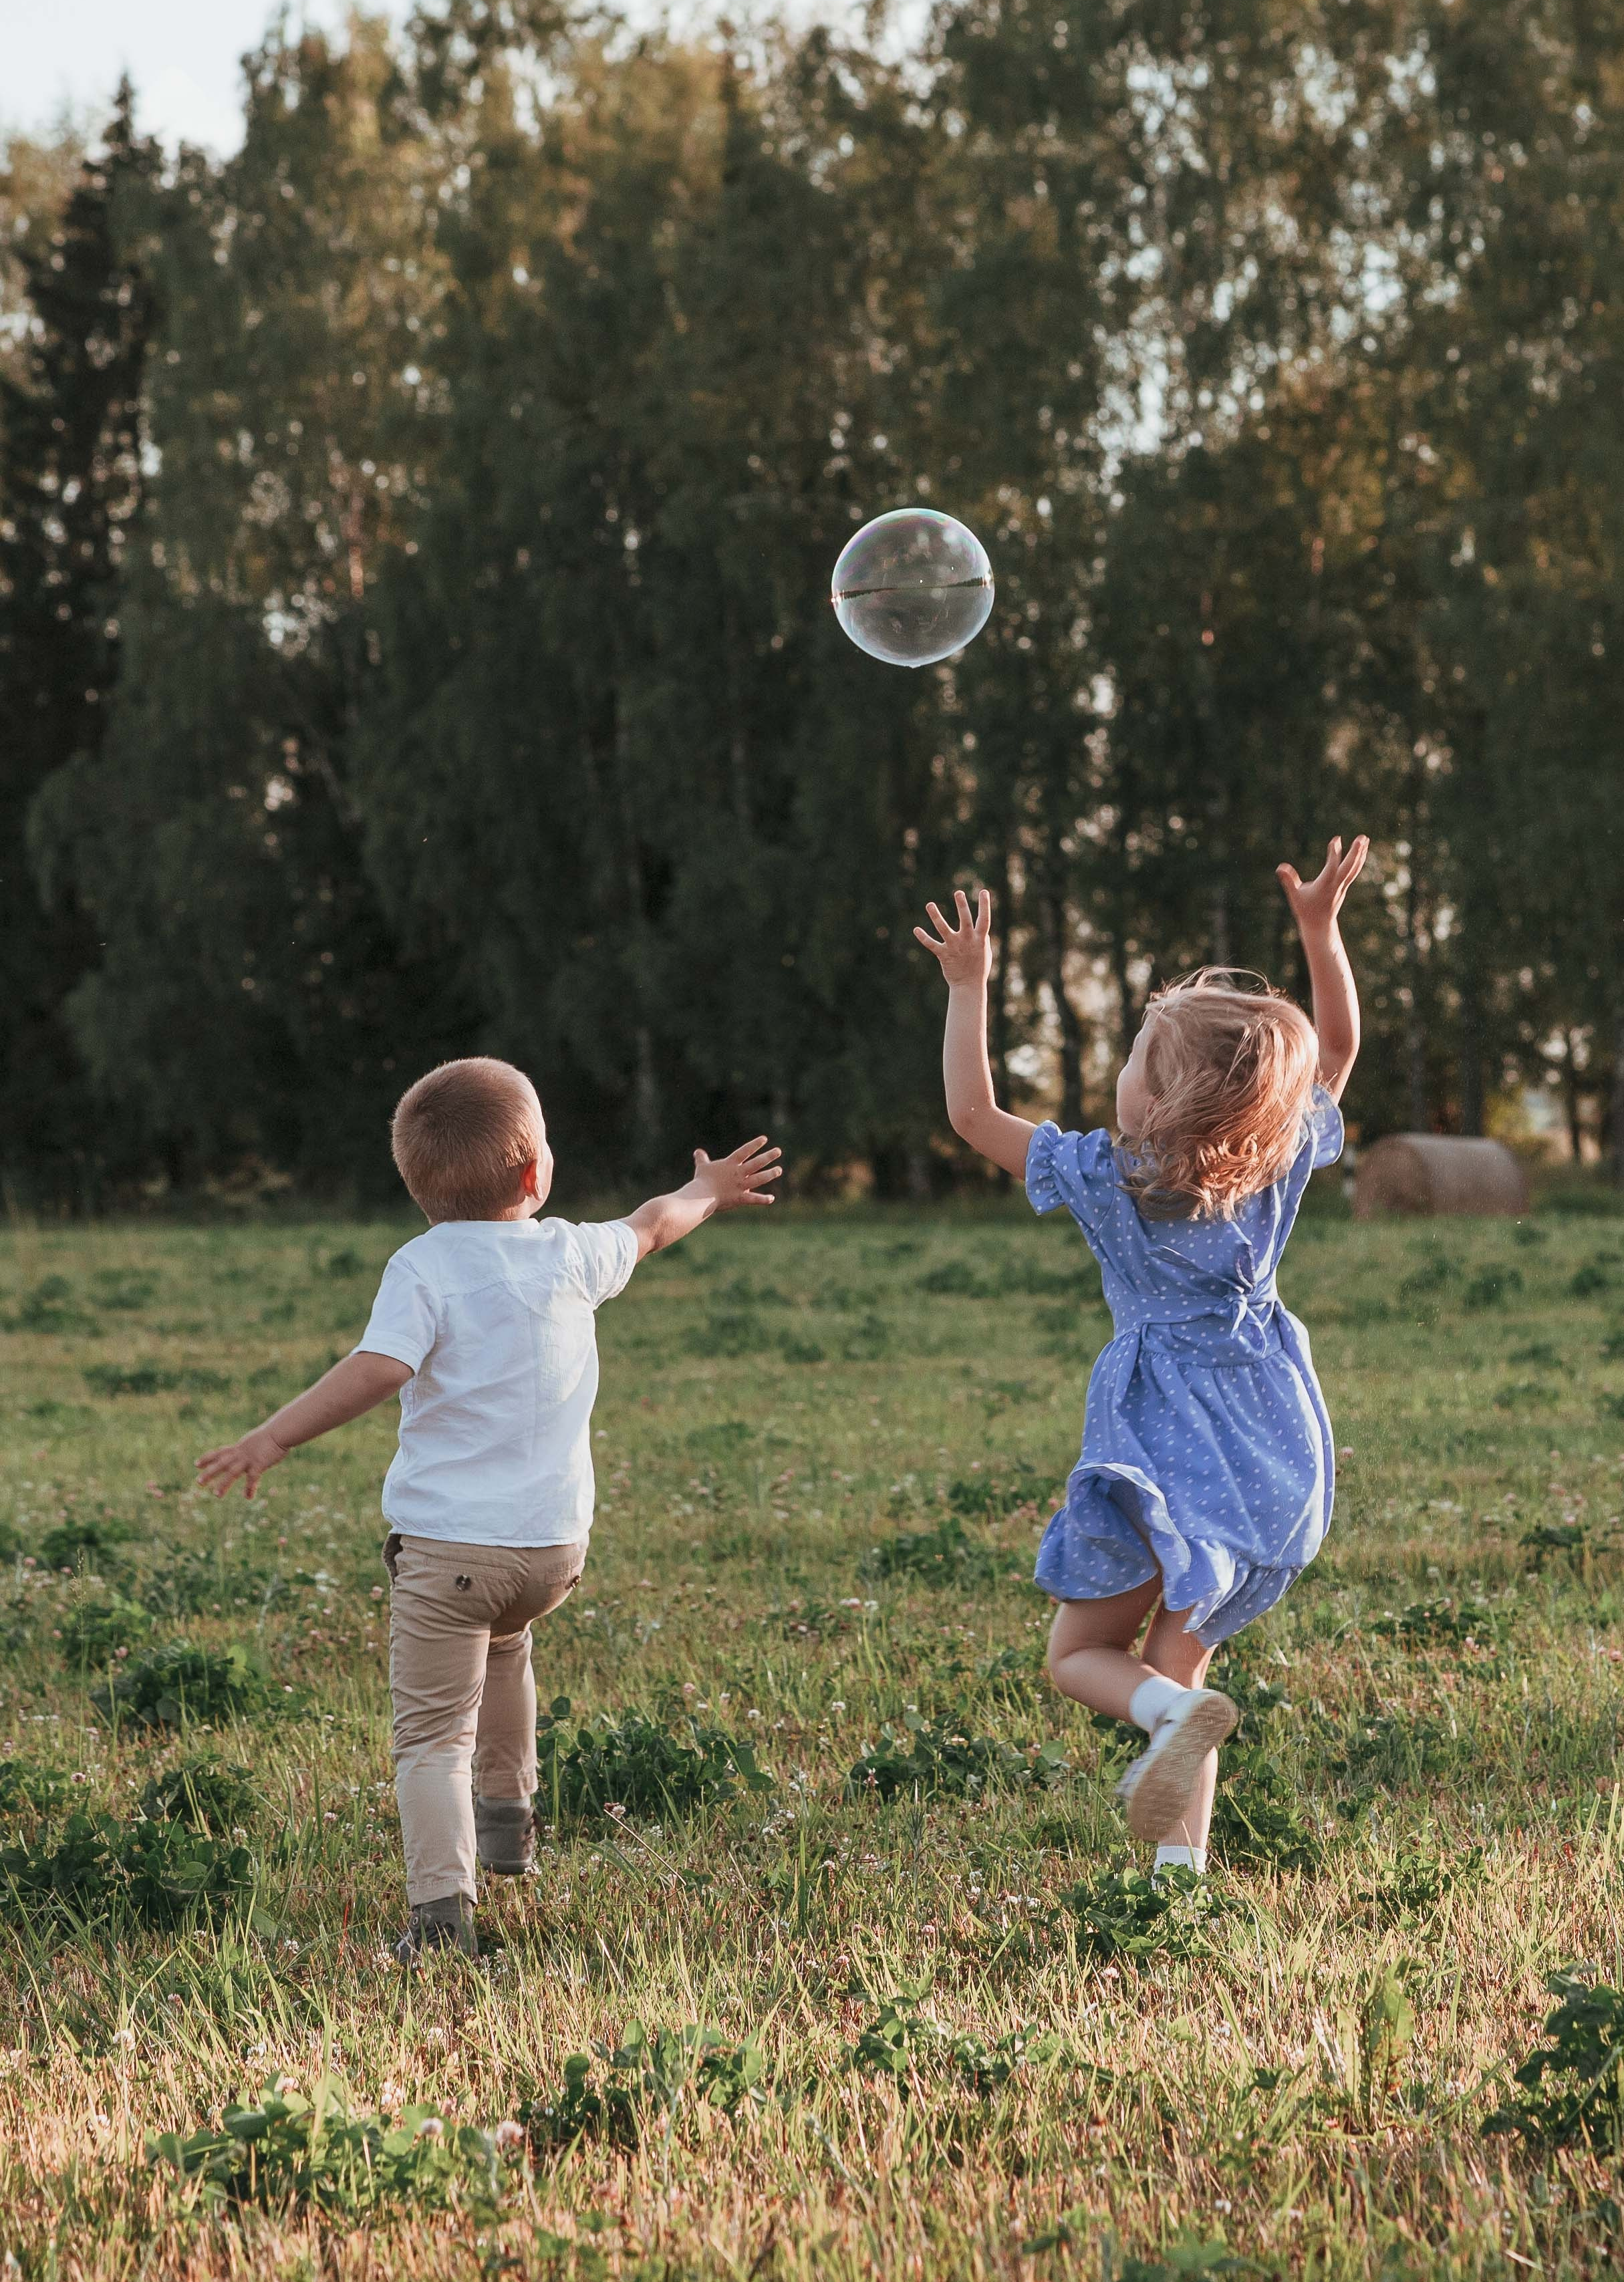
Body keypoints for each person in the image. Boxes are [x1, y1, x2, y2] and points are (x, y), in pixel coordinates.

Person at [196, 1058, 781, 1960]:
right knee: (506, 1641)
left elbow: (379, 1367)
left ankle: (440, 1917)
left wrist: (273, 1436)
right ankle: (507, 1825)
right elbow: (655, 1224)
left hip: (451, 1555)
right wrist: (705, 1188)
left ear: (418, 1185)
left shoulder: (423, 1265)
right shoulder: (570, 1250)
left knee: (430, 1732)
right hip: (551, 1554)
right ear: (534, 1174)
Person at [914, 839, 1367, 1875]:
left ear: (1155, 1102)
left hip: (1163, 1439)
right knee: (1183, 1658)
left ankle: (1170, 1714)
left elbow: (971, 1113)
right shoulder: (1272, 1160)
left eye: (1133, 1061)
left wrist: (970, 988)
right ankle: (1179, 1885)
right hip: (1268, 1447)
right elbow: (1334, 1049)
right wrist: (1320, 931)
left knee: (1083, 1655)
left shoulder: (1101, 1176)